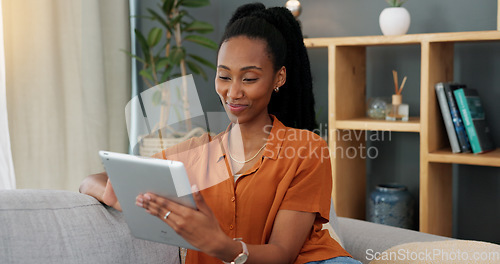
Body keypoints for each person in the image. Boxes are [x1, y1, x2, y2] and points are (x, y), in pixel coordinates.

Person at [80, 3, 361, 264]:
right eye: (224, 76)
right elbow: (94, 179)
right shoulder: (194, 154)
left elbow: (283, 254)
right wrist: (110, 191)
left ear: (279, 77)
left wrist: (220, 245)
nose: (233, 92)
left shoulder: (306, 149)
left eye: (249, 79)